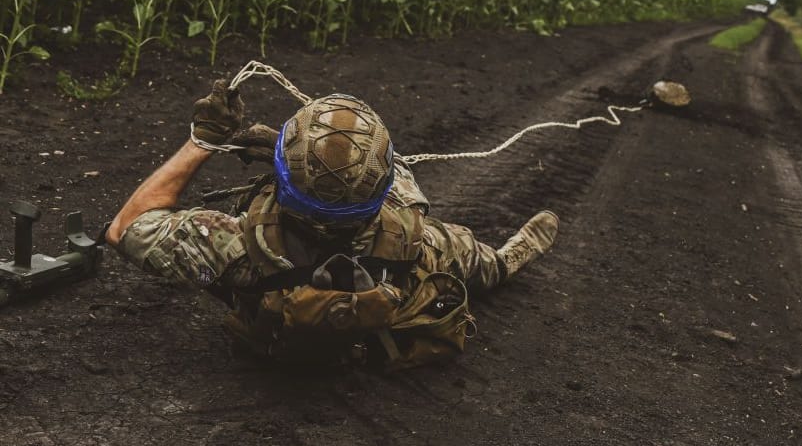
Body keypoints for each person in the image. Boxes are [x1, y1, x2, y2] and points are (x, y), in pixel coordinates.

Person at [106, 80, 559, 367]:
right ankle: (506, 260)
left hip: (273, 318)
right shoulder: (422, 240)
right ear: (384, 186)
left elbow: (126, 226)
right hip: (397, 271)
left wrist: (202, 139)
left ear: (280, 174)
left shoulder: (233, 246)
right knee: (477, 261)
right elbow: (386, 179)